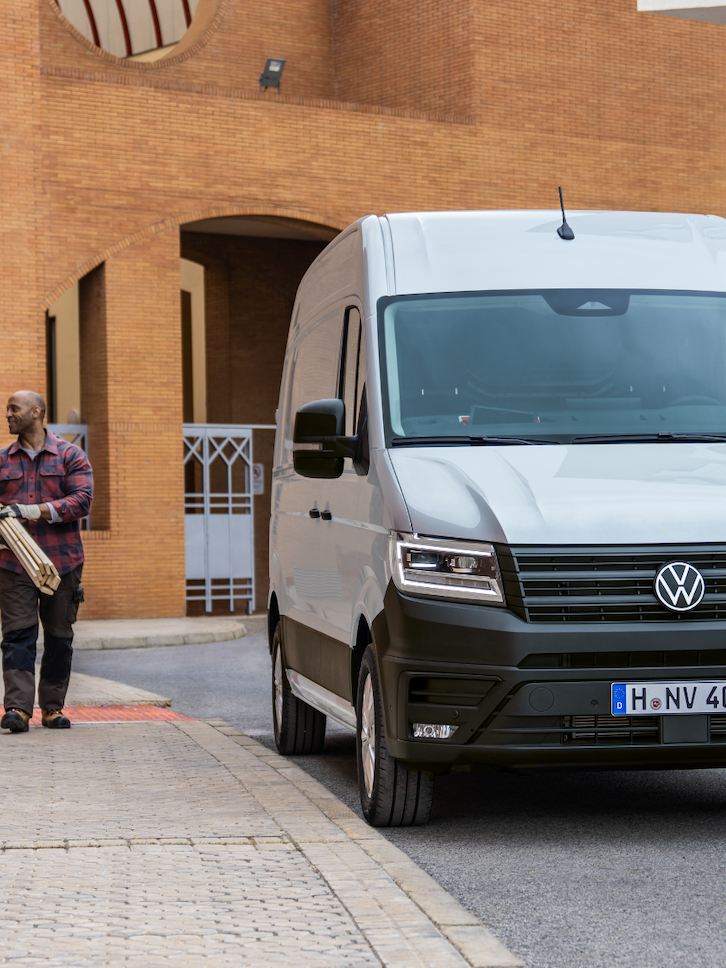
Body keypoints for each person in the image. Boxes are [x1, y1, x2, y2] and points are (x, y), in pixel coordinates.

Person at [0, 390, 93, 733]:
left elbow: (82, 501)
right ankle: (17, 709)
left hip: (62, 562)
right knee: (17, 636)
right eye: (7, 409)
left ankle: (52, 708)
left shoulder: (70, 456)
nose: (8, 414)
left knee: (58, 637)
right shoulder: (2, 460)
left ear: (36, 412)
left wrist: (33, 511)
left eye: (15, 409)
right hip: (14, 565)